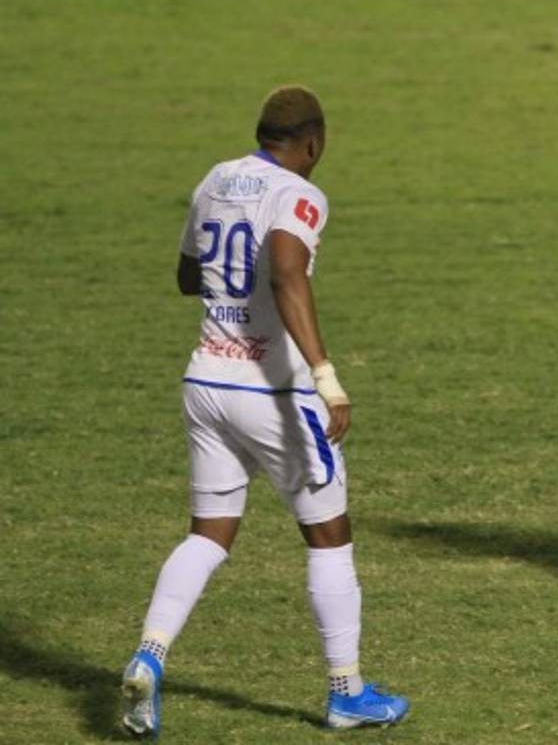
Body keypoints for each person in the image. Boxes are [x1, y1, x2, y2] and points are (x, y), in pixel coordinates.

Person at [120, 86, 410, 736]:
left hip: (206, 383)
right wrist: (327, 377)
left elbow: (188, 277)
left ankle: (149, 656)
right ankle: (346, 693)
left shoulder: (216, 179)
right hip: (273, 395)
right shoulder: (299, 194)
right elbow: (285, 272)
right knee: (329, 535)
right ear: (312, 143)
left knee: (208, 534)